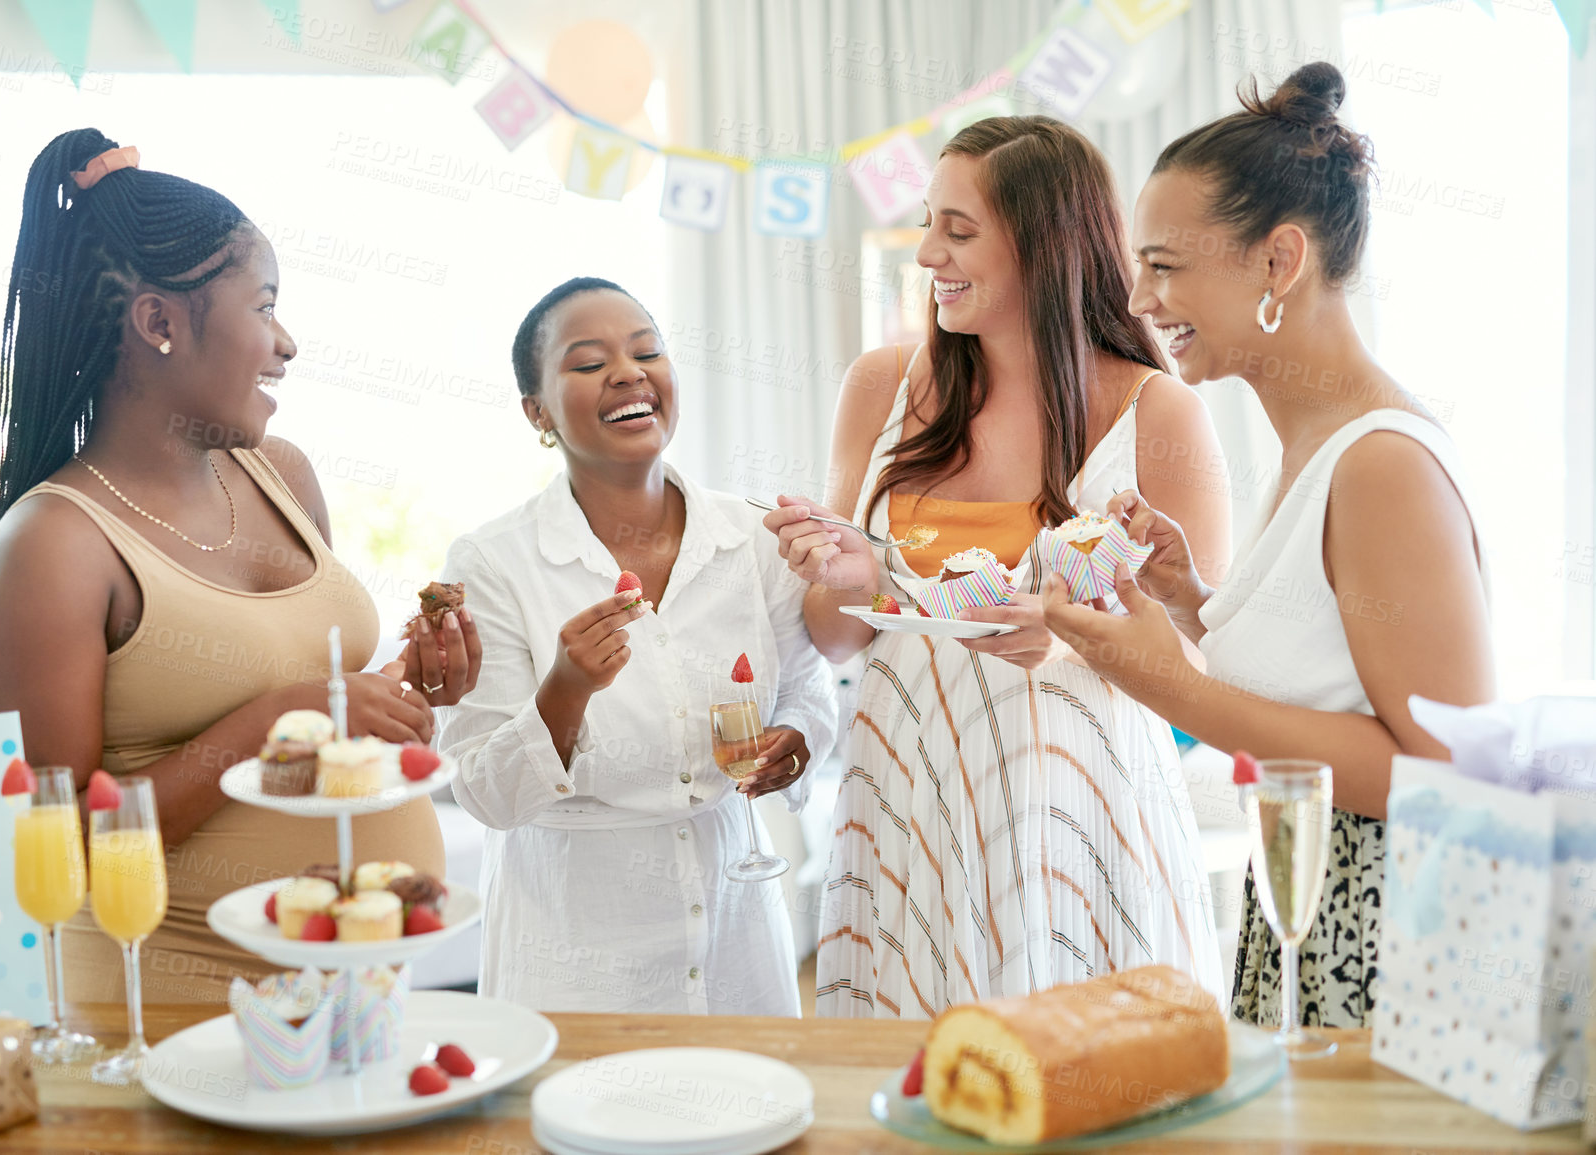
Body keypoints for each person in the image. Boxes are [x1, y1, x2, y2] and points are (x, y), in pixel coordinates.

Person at [0, 129, 481, 1003]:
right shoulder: (53, 545)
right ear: (160, 322)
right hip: (175, 1010)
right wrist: (284, 713)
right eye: (265, 306)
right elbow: (70, 840)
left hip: (345, 996)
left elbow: (310, 723)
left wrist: (398, 690)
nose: (286, 343)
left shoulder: (281, 474)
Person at [1043, 63, 1494, 1028]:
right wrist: (1188, 598)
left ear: (1277, 261)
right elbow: (1335, 679)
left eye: (1163, 266)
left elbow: (1443, 773)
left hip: (1377, 939)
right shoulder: (1315, 445)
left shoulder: (1378, 465)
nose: (1138, 300)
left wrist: (1167, 682)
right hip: (1305, 906)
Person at [763, 116, 1232, 1017]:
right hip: (907, 791)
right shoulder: (881, 387)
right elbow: (834, 636)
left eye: (959, 230)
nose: (928, 251)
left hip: (1080, 807)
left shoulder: (1157, 413)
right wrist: (851, 576)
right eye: (928, 221)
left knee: (1086, 1085)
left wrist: (1062, 644)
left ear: (1044, 246)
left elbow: (1205, 667)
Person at [437, 277, 837, 1015]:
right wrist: (565, 690)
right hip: (574, 955)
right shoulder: (491, 563)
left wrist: (799, 737)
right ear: (537, 411)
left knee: (750, 1121)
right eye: (588, 363)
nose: (627, 371)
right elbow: (485, 794)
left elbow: (807, 687)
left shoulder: (751, 536)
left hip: (736, 933)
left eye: (646, 350)